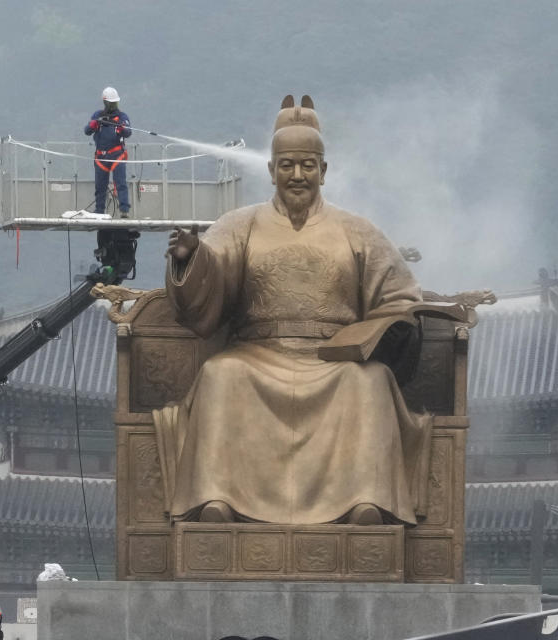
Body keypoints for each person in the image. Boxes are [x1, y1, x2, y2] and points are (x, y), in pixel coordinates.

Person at [157, 95, 430, 526]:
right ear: (270, 171)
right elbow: (211, 282)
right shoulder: (239, 224)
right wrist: (193, 259)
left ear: (324, 170)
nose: (297, 176)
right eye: (287, 166)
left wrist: (391, 324)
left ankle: (365, 503)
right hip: (257, 354)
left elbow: (399, 295)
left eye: (307, 165)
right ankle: (217, 500)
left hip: (334, 360)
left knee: (371, 382)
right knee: (220, 374)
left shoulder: (358, 231)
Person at [83, 86, 133, 217]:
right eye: (111, 103)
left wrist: (122, 128)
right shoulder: (97, 116)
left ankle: (124, 210)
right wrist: (93, 124)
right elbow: (87, 131)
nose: (113, 106)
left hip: (117, 155)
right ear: (105, 102)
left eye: (115, 103)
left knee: (120, 182)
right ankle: (99, 210)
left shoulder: (122, 117)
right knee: (100, 186)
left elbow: (128, 132)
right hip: (101, 157)